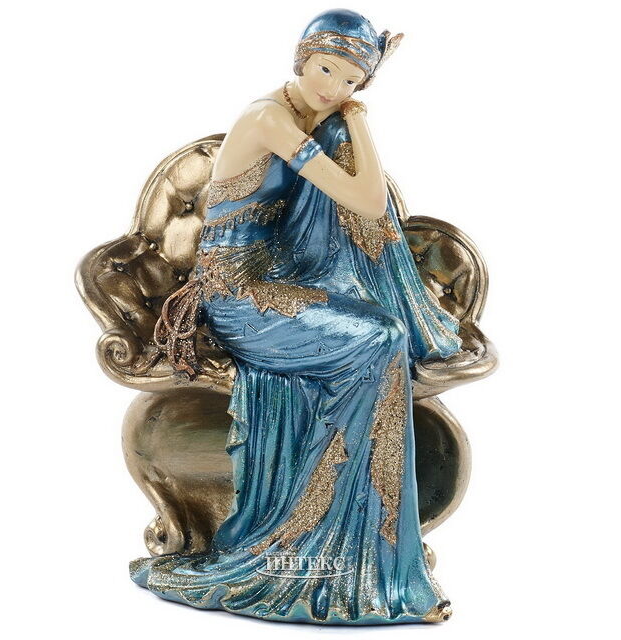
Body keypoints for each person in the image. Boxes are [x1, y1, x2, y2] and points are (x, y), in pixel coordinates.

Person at [130, 9, 462, 624]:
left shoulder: (317, 119)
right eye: (326, 69)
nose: (333, 87)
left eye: (351, 80)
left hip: (280, 276)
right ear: (302, 58)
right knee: (381, 339)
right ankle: (304, 536)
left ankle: (354, 547)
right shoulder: (269, 118)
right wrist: (357, 116)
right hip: (234, 290)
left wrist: (347, 118)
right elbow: (366, 198)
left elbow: (358, 194)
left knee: (383, 337)